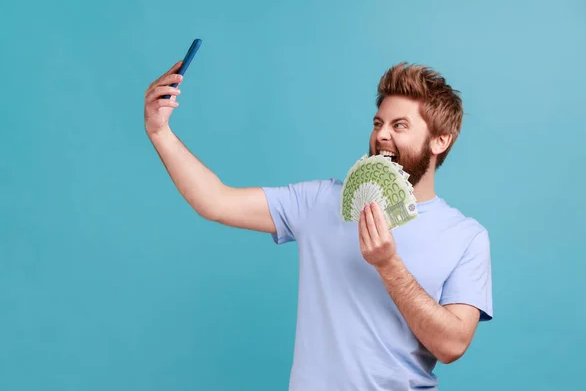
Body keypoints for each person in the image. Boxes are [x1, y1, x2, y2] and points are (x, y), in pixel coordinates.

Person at [143, 60, 493, 390]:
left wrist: (389, 265)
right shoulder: (320, 202)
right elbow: (215, 201)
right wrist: (160, 133)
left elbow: (451, 345)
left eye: (399, 125)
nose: (382, 135)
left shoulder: (466, 237)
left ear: (440, 140)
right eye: (377, 123)